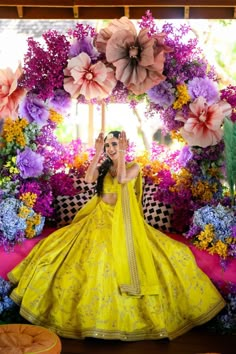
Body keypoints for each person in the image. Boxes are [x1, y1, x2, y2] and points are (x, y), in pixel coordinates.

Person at [8, 130, 225, 341]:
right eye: (109, 145)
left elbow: (122, 179)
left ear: (123, 145)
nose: (111, 148)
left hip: (125, 221)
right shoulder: (102, 168)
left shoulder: (134, 166)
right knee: (67, 251)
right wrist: (97, 153)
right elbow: (89, 179)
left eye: (114, 144)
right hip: (99, 217)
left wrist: (121, 154)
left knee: (172, 254)